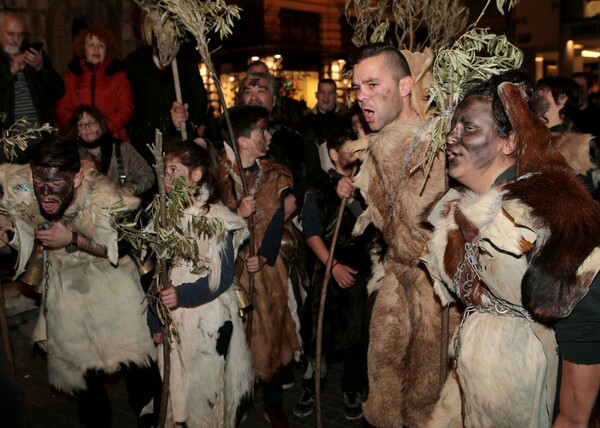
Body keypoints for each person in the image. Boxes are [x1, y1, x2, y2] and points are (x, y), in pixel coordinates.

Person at [423, 71, 600, 427]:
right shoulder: (459, 207)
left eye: (468, 128)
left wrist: (571, 418)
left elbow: (587, 316)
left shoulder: (544, 212)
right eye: (452, 127)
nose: (451, 138)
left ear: (509, 142)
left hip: (532, 392)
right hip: (477, 390)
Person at [336, 43, 461, 427]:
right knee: (385, 387)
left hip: (438, 294)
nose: (362, 96)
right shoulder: (382, 141)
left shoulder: (435, 144)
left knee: (428, 401)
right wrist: (357, 182)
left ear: (406, 86)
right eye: (358, 87)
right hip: (396, 279)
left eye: (373, 85)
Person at [0, 138, 160, 427]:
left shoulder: (103, 196)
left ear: (75, 178)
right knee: (81, 373)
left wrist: (72, 239)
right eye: (39, 181)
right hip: (68, 291)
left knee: (137, 364)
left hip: (113, 288)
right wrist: (10, 234)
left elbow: (125, 243)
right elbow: (23, 220)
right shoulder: (30, 188)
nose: (45, 192)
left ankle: (147, 419)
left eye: (54, 183)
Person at [146, 138, 253, 427]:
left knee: (205, 397)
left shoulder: (219, 219)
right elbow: (158, 272)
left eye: (174, 170)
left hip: (205, 319)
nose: (167, 178)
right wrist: (155, 320)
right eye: (165, 170)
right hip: (172, 319)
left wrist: (182, 295)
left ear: (195, 175)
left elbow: (221, 278)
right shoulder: (164, 216)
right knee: (174, 392)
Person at [219, 105, 302, 427]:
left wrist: (264, 255)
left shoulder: (276, 174)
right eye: (261, 132)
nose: (268, 136)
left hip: (267, 269)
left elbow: (277, 222)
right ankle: (239, 399)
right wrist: (236, 214)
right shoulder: (220, 175)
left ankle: (273, 401)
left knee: (270, 328)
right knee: (238, 335)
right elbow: (209, 220)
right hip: (231, 270)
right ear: (241, 141)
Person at [294, 127, 371, 421]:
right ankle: (312, 386)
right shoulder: (318, 187)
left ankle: (351, 389)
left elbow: (372, 227)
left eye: (357, 148)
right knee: (318, 332)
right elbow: (312, 233)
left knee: (355, 334)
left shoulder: (368, 185)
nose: (353, 154)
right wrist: (332, 266)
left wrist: (352, 198)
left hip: (358, 269)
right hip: (326, 268)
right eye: (347, 148)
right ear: (333, 155)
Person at [124, 11, 208, 164]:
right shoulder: (132, 63)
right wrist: (135, 130)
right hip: (144, 146)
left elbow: (199, 95)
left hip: (177, 140)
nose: (159, 37)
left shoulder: (184, 60)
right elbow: (125, 100)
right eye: (155, 31)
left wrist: (192, 123)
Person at [0, 8, 65, 162]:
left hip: (39, 141)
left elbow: (58, 91)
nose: (16, 39)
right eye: (10, 34)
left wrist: (41, 69)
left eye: (21, 34)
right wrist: (11, 72)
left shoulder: (33, 53)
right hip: (7, 145)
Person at [56, 26, 133, 142]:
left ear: (107, 50)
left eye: (101, 45)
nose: (96, 49)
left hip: (112, 137)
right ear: (83, 48)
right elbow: (63, 109)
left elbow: (126, 109)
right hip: (79, 139)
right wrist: (81, 128)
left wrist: (102, 127)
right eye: (91, 45)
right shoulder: (70, 78)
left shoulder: (119, 76)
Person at [68, 105, 155, 197]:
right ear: (77, 131)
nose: (87, 128)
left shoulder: (122, 149)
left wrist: (128, 190)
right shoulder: (73, 157)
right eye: (81, 125)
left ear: (101, 124)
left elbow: (147, 175)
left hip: (122, 207)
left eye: (92, 122)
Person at [304, 78, 349, 173]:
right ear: (316, 95)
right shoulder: (305, 120)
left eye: (330, 93)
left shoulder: (346, 119)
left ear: (336, 96)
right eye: (322, 92)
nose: (326, 97)